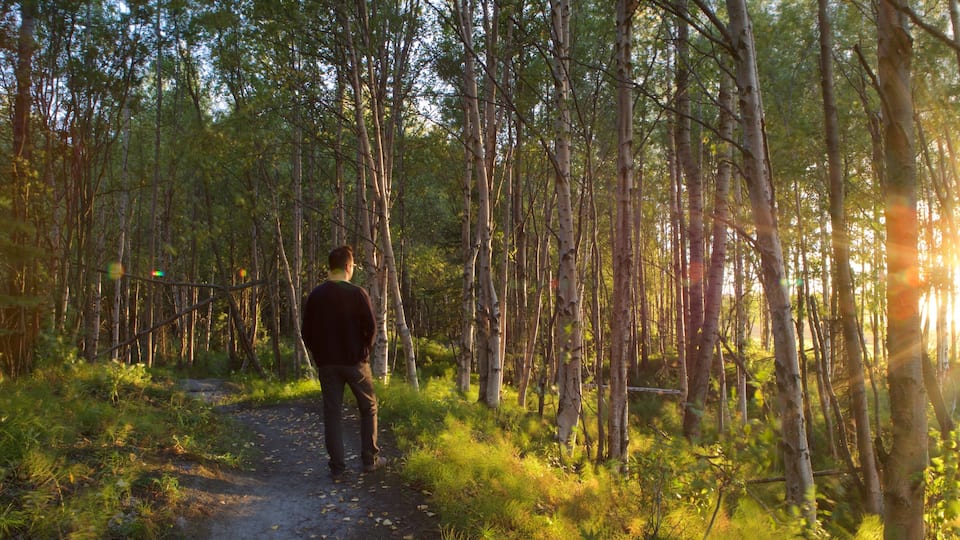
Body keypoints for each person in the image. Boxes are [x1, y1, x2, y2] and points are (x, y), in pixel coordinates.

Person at [301, 246, 385, 479]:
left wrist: (320, 355)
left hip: (327, 364)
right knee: (368, 408)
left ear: (330, 267)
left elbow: (306, 331)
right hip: (355, 362)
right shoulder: (357, 293)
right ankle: (370, 460)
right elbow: (371, 327)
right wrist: (364, 352)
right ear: (349, 267)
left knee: (332, 414)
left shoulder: (316, 295)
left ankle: (337, 468)